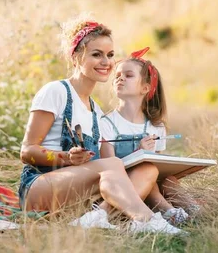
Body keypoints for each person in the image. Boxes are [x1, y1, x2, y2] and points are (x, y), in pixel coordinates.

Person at [18, 18, 183, 234]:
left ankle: (97, 216)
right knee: (112, 164)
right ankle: (147, 220)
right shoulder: (56, 92)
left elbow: (111, 170)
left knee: (146, 169)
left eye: (110, 55)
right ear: (76, 57)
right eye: (97, 54)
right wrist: (65, 157)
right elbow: (27, 151)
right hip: (39, 187)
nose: (106, 62)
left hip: (76, 194)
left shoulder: (96, 111)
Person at [99, 47, 200, 225]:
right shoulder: (105, 123)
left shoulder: (155, 126)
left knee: (170, 180)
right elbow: (109, 169)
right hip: (124, 187)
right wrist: (138, 153)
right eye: (117, 76)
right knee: (148, 170)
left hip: (150, 183)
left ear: (145, 88)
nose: (120, 78)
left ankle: (194, 212)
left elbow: (158, 167)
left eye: (128, 75)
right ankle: (168, 212)